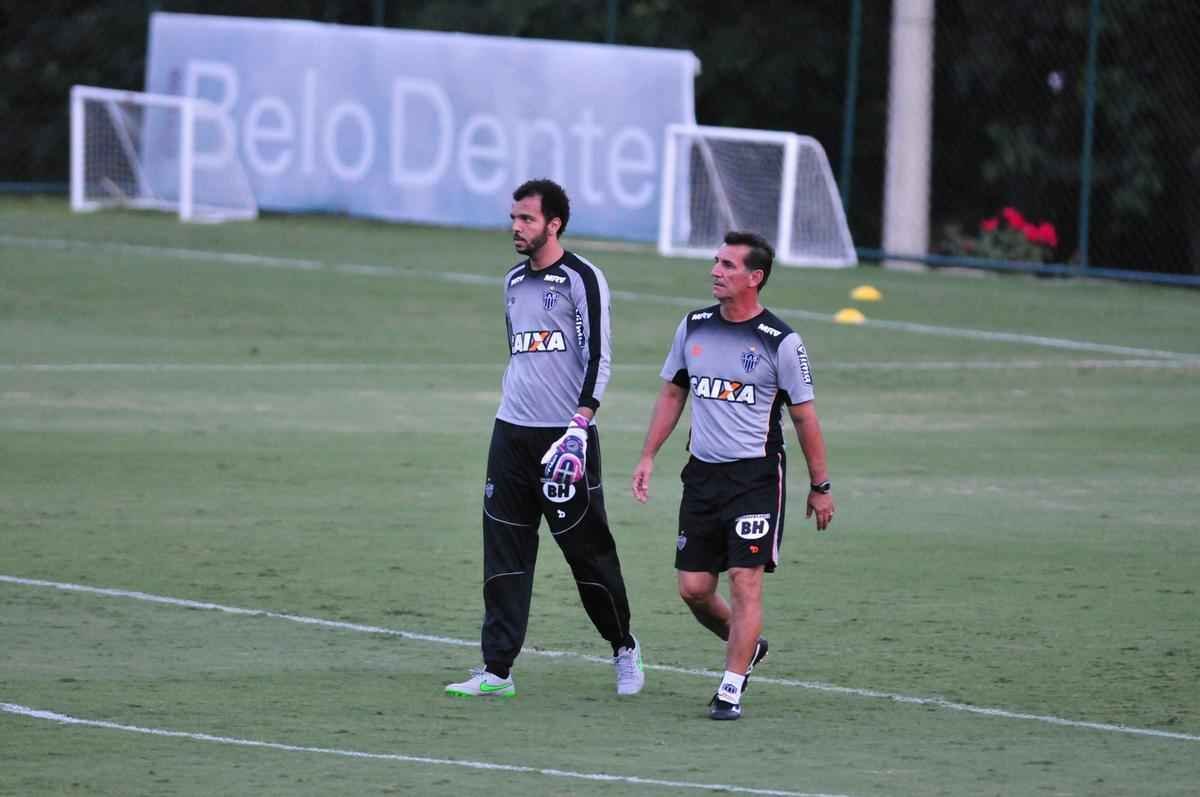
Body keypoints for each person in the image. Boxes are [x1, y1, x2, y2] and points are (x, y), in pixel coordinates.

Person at [446, 179, 644, 699]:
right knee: (504, 550)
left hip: (566, 440)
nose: (516, 227)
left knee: (587, 553)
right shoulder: (513, 281)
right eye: (514, 218)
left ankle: (623, 645)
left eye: (527, 219)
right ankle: (497, 670)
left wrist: (581, 423)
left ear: (553, 224)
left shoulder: (582, 279)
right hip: (510, 434)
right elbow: (521, 355)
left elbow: (598, 357)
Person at [631, 230, 834, 720]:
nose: (715, 272)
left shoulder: (781, 342)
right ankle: (748, 647)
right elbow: (672, 394)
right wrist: (648, 456)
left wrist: (820, 485)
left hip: (755, 478)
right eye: (715, 262)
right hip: (701, 475)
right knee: (694, 588)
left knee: (745, 580)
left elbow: (805, 416)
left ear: (754, 277)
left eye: (727, 265)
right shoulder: (694, 326)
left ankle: (731, 684)